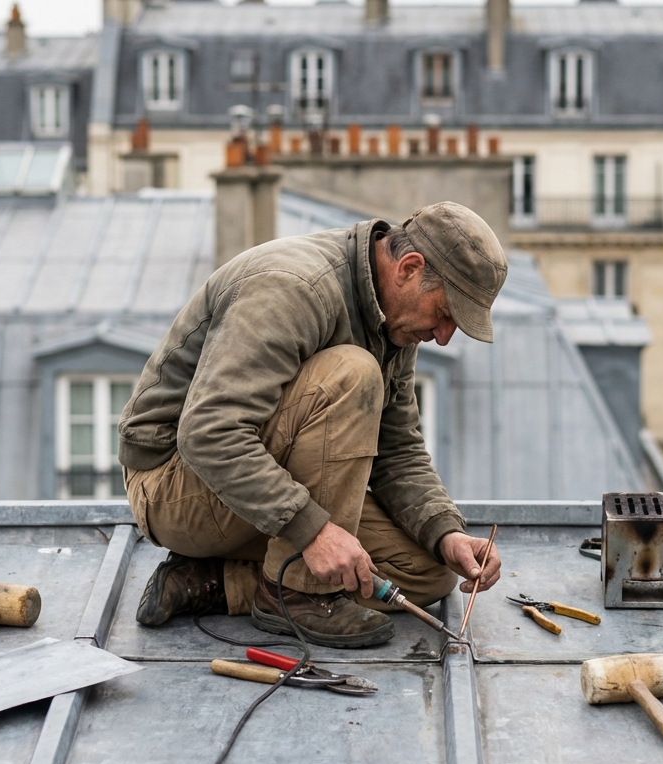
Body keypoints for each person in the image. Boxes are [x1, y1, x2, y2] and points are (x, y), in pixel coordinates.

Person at [118, 201, 506, 648]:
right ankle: (299, 593)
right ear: (409, 268)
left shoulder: (394, 317)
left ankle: (213, 581)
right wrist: (314, 532)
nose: (443, 336)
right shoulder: (294, 289)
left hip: (252, 489)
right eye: (446, 313)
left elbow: (397, 449)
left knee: (427, 572)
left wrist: (446, 532)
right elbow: (209, 433)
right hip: (174, 488)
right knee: (352, 374)